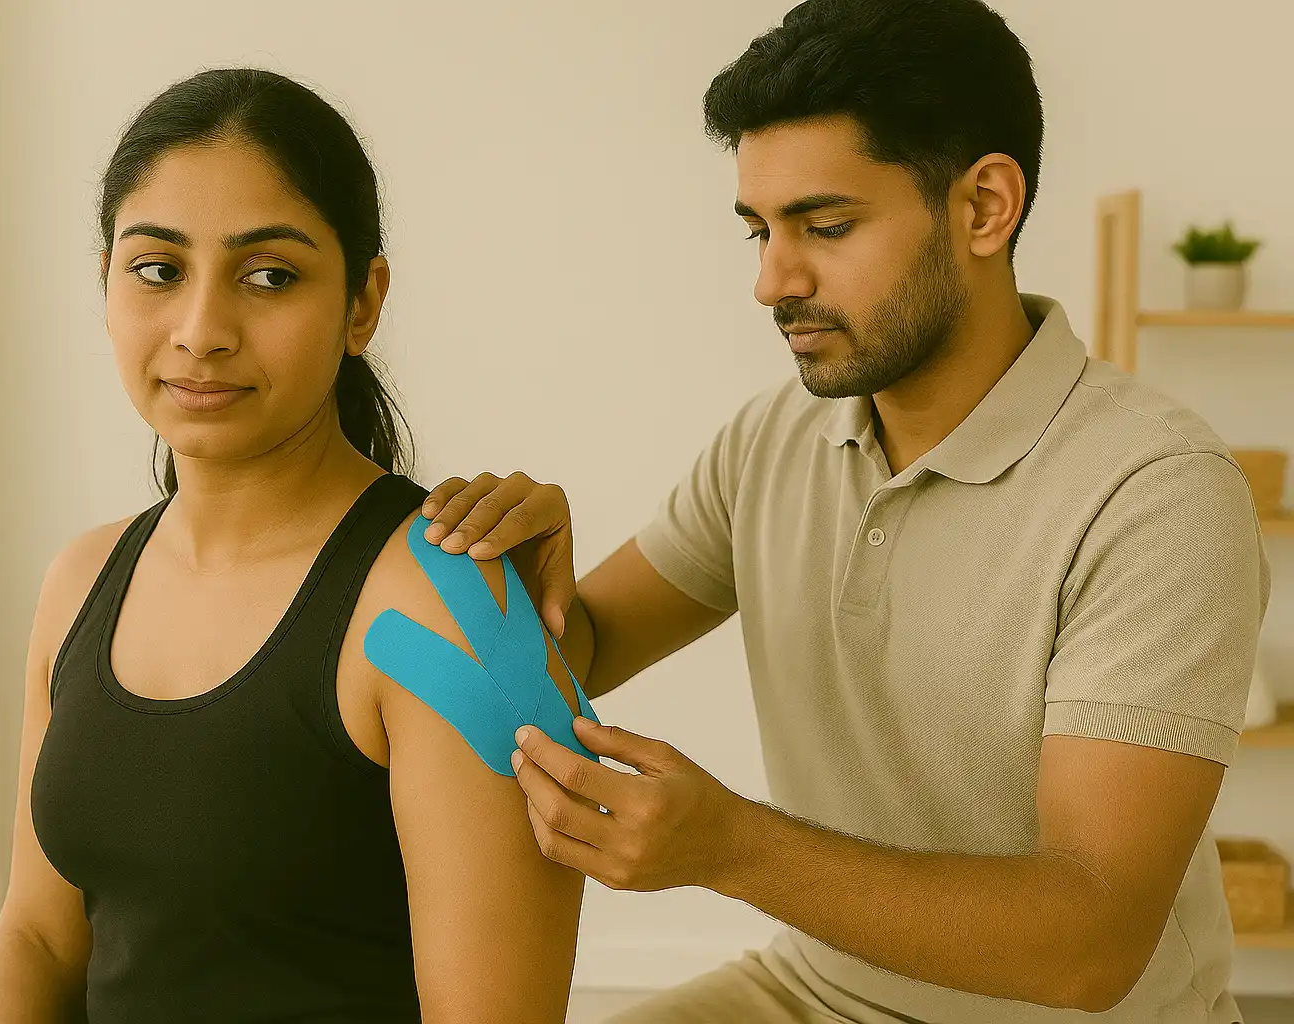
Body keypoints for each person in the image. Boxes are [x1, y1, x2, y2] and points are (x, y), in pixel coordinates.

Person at [420, 1, 1271, 1021]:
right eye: (759, 230)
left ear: (986, 206)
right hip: (812, 991)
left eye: (826, 226)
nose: (773, 281)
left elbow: (1089, 944)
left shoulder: (1156, 491)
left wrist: (728, 845)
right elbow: (584, 647)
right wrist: (524, 587)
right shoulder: (773, 439)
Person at [0, 68, 584, 1024]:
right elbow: (38, 938)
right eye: (158, 270)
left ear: (363, 304)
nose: (202, 332)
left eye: (270, 276)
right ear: (107, 283)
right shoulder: (81, 578)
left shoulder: (447, 604)